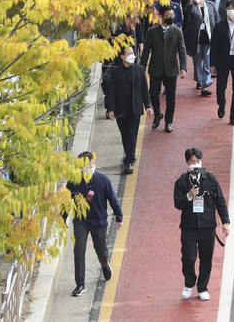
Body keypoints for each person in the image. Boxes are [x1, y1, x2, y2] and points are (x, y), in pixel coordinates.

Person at [174, 147, 230, 301]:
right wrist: (189, 195)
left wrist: (225, 222)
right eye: (193, 161)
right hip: (189, 227)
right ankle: (189, 283)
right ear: (187, 163)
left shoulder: (210, 179)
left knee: (206, 258)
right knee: (188, 258)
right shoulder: (180, 182)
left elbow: (220, 200)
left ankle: (203, 287)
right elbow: (177, 204)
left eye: (198, 161)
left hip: (208, 226)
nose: (196, 164)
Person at [64, 152, 123, 296]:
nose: (91, 166)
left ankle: (104, 264)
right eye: (87, 164)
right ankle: (80, 284)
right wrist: (63, 217)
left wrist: (119, 217)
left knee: (101, 249)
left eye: (92, 163)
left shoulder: (103, 180)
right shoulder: (73, 182)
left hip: (99, 221)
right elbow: (65, 201)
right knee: (79, 249)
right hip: (81, 221)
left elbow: (113, 199)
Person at [105, 47, 153, 173]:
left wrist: (147, 105)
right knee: (125, 135)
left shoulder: (140, 70)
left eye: (133, 53)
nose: (133, 55)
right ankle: (129, 155)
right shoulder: (115, 72)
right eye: (129, 53)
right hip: (121, 109)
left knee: (132, 135)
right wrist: (110, 109)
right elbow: (111, 92)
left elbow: (144, 89)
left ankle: (129, 162)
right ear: (122, 56)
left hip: (135, 109)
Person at [140, 5, 188, 133]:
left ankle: (169, 122)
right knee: (153, 94)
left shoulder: (177, 31)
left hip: (171, 69)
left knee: (171, 97)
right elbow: (145, 52)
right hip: (155, 68)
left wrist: (183, 68)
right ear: (161, 17)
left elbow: (182, 50)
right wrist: (141, 69)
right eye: (168, 16)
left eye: (172, 16)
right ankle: (157, 114)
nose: (170, 18)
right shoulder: (152, 31)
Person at [183, 0, 220, 96]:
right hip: (197, 39)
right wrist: (190, 3)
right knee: (197, 62)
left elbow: (217, 18)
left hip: (209, 38)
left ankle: (205, 85)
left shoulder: (211, 4)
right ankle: (199, 80)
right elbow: (188, 12)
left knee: (207, 63)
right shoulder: (191, 6)